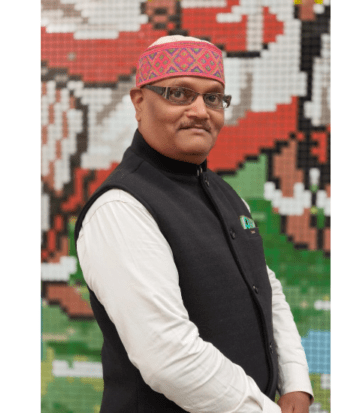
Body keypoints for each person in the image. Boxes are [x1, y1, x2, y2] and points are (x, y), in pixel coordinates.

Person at [74, 35, 314, 413]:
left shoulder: (226, 196)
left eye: (213, 97)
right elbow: (169, 356)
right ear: (139, 102)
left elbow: (266, 289)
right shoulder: (121, 208)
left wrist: (296, 383)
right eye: (179, 94)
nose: (201, 111)